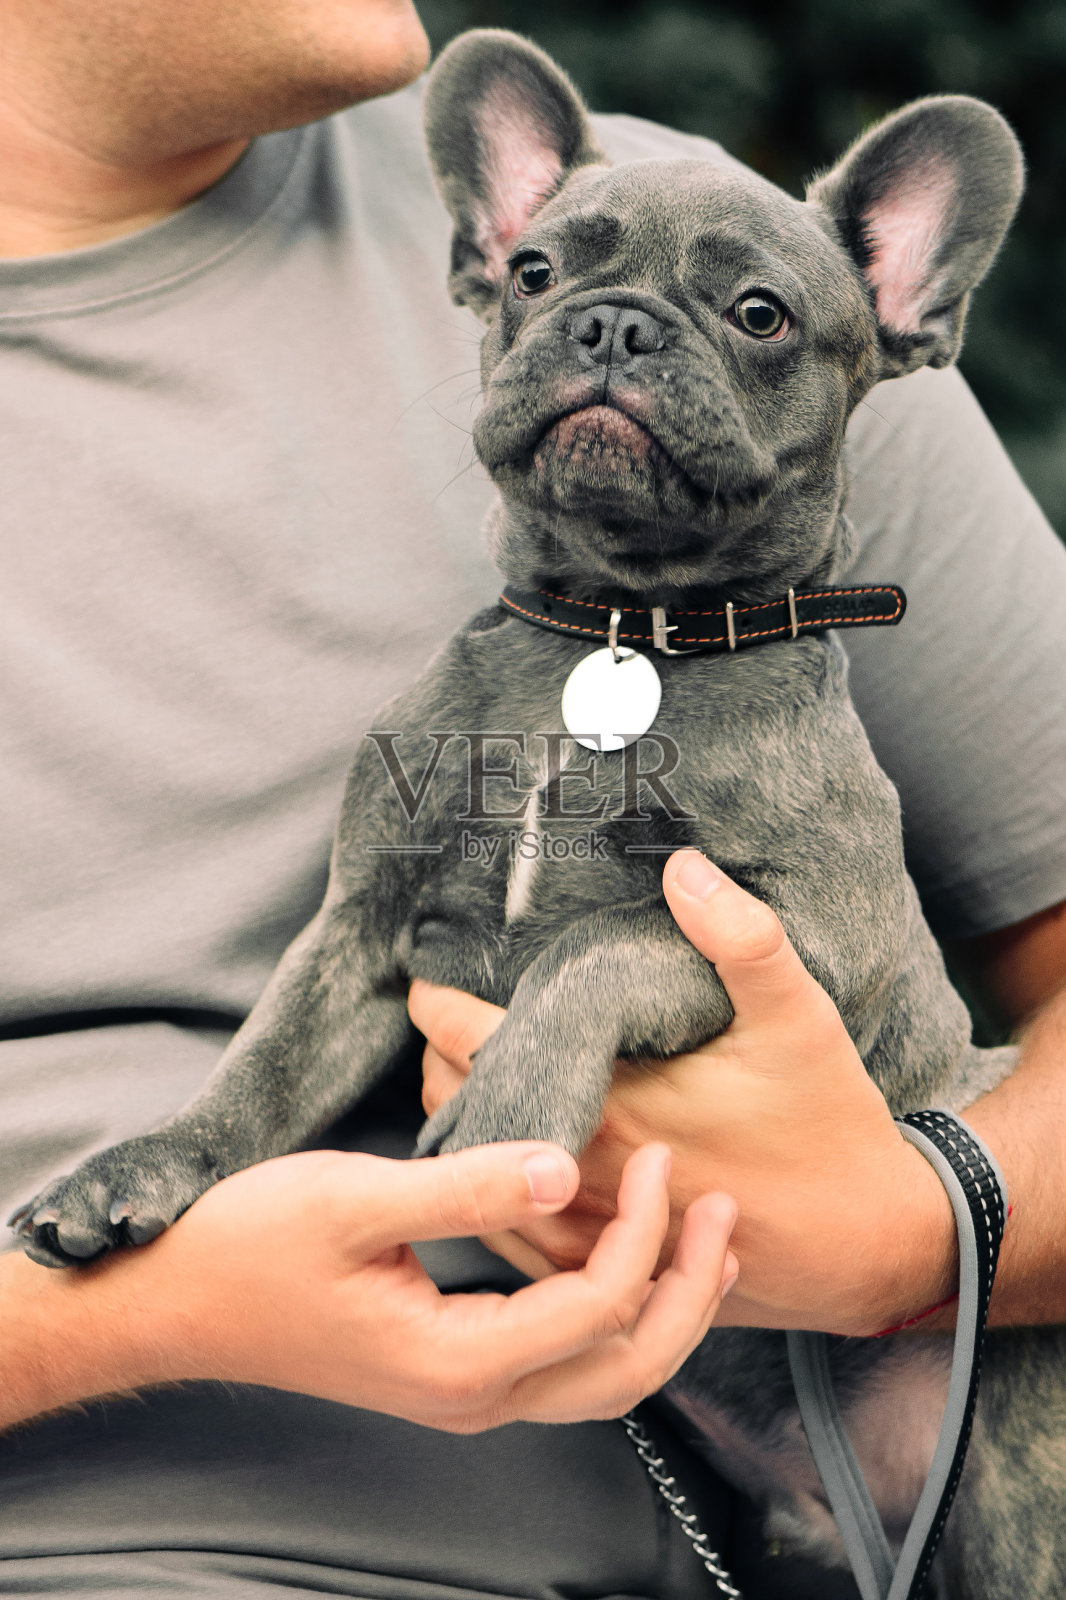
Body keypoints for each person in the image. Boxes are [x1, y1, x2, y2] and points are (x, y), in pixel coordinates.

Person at [0, 0, 1064, 1594]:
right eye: (551, 280)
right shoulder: (460, 702)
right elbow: (363, 945)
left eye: (752, 319)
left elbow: (781, 953)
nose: (623, 335)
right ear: (486, 267)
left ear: (899, 310)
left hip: (821, 1476)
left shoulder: (689, 201)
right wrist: (147, 1304)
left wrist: (923, 1230)